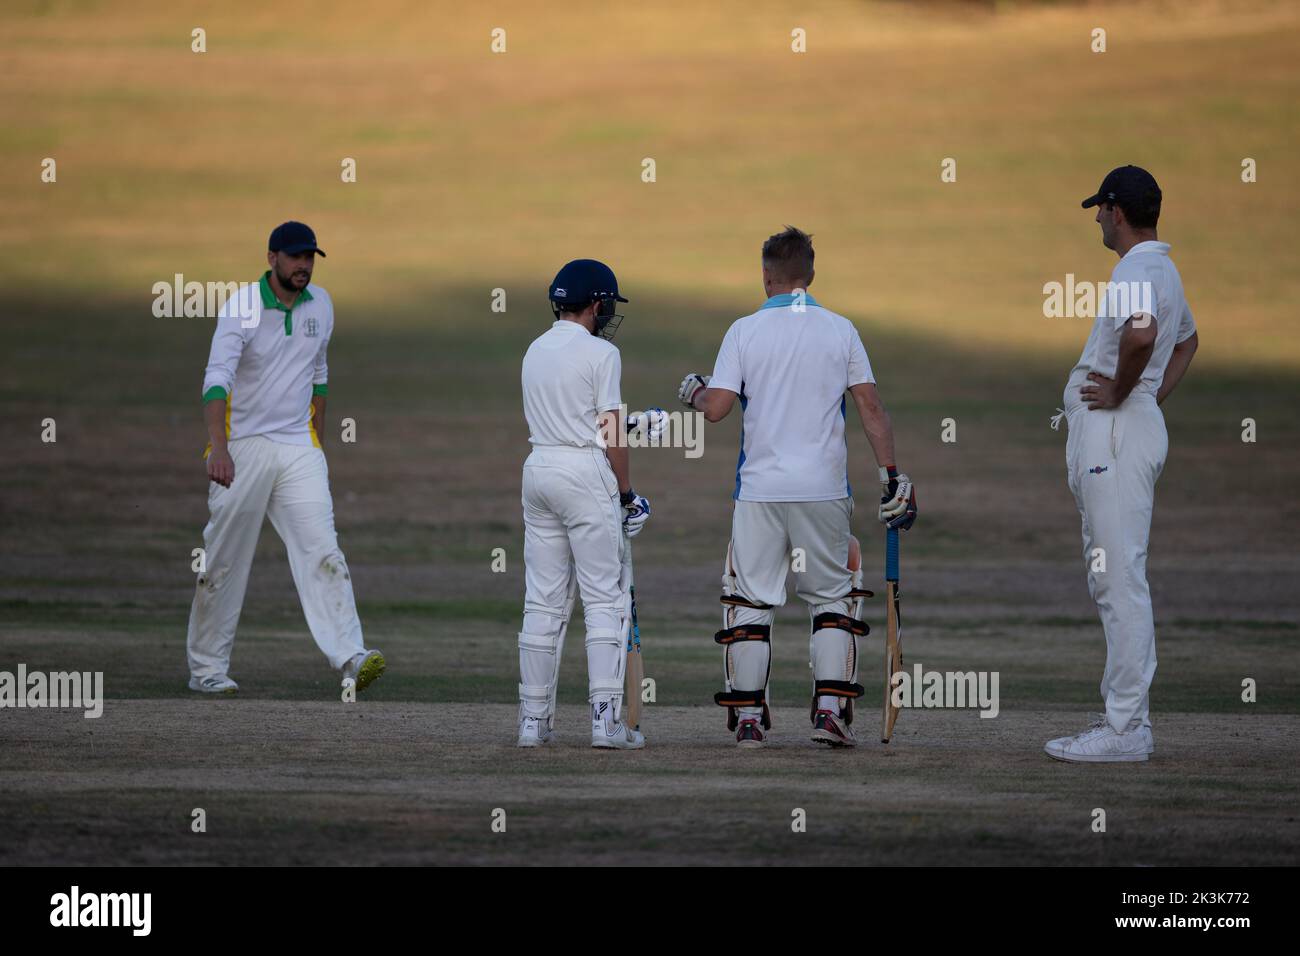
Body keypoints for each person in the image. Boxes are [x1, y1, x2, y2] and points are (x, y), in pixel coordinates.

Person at [678, 226, 916, 749]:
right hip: (824, 490)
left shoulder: (743, 331)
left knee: (750, 598)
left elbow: (716, 410)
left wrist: (694, 392)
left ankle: (748, 721)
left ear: (766, 277)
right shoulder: (841, 330)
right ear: (810, 275)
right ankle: (829, 711)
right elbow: (870, 409)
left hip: (760, 491)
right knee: (832, 596)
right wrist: (892, 477)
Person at [187, 221, 384, 696]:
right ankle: (207, 669)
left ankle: (351, 656)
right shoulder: (243, 308)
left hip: (298, 445)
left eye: (310, 258)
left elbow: (319, 372)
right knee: (224, 560)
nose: (304, 266)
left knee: (323, 550)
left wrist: (316, 438)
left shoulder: (323, 304)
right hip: (243, 444)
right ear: (272, 257)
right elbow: (217, 381)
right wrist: (220, 447)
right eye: (295, 257)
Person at [1045, 166, 1198, 763]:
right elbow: (1185, 341)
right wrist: (1149, 396)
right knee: (1115, 574)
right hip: (1130, 428)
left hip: (1115, 436)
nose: (1097, 220)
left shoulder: (1137, 269)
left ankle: (1127, 729)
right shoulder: (1164, 268)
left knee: (1118, 579)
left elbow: (1142, 337)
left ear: (1115, 211)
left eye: (1099, 209)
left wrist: (1122, 393)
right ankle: (1123, 716)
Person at [516, 259, 652, 750]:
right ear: (598, 303)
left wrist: (633, 425)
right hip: (584, 475)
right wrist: (626, 497)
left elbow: (576, 418)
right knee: (604, 600)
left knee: (543, 601)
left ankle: (533, 723)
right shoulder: (601, 354)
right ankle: (604, 723)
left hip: (538, 471)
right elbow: (608, 431)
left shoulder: (534, 348)